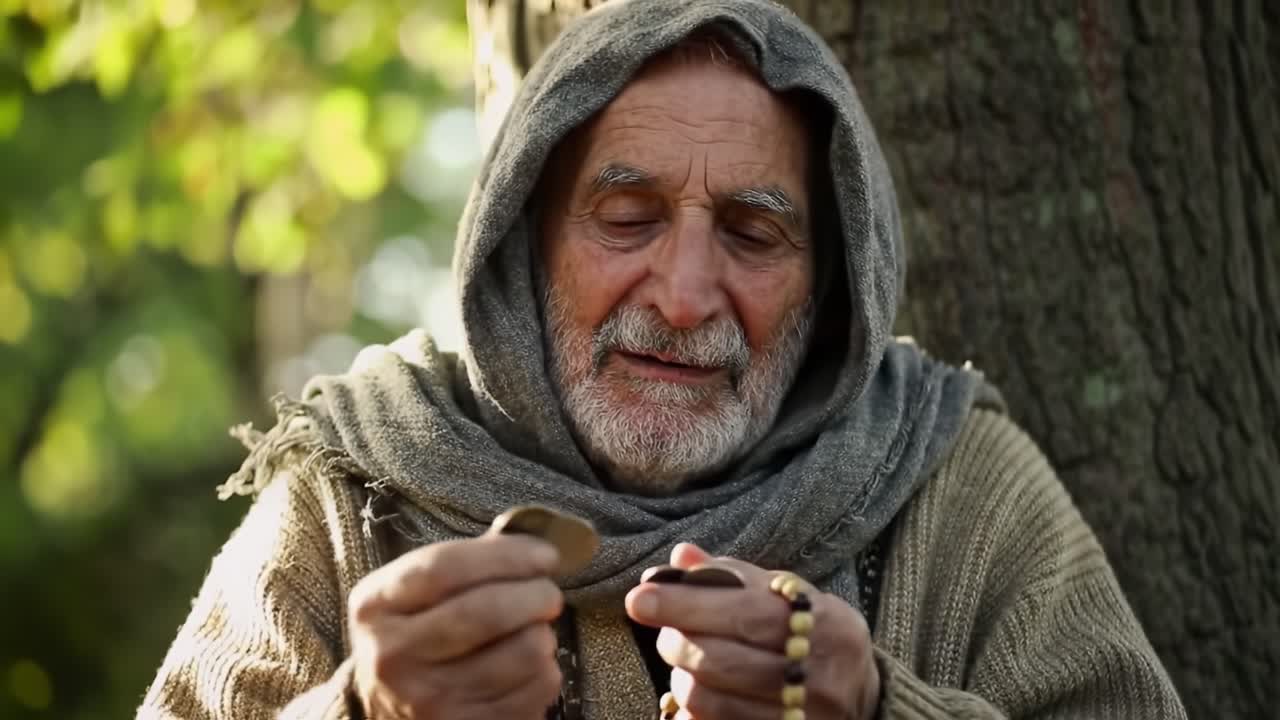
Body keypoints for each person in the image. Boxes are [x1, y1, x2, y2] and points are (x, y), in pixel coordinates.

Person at [138, 1, 1185, 718]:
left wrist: (876, 707)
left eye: (753, 233)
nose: (683, 298)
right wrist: (363, 709)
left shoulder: (958, 486)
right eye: (626, 218)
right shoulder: (354, 493)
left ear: (829, 287)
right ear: (525, 244)